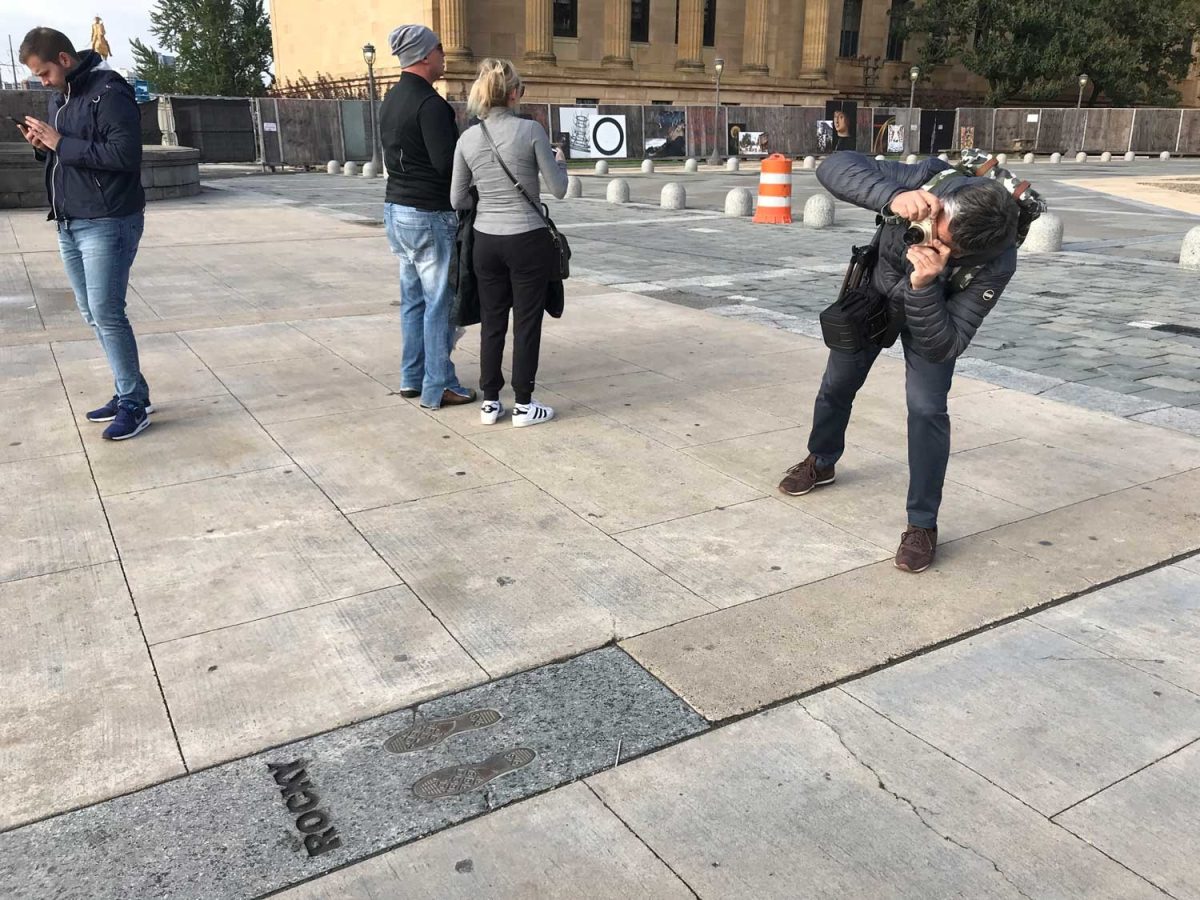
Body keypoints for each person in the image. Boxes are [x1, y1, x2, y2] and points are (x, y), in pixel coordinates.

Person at [779, 151, 1020, 573]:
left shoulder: (996, 262)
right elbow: (833, 167)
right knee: (837, 383)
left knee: (927, 410)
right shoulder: (931, 179)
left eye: (944, 244)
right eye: (931, 227)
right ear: (942, 204)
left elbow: (948, 344)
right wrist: (893, 196)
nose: (926, 240)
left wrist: (925, 285)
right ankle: (822, 459)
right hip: (876, 292)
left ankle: (922, 524)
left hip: (933, 315)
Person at [19, 27, 152, 440]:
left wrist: (60, 142)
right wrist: (42, 144)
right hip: (69, 220)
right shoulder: (61, 97)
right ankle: (130, 390)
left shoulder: (109, 92)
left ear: (63, 59)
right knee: (92, 312)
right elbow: (68, 153)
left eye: (44, 73)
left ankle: (133, 405)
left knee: (108, 312)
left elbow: (125, 155)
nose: (43, 83)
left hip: (108, 219)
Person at [451, 58, 568, 427]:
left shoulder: (467, 139)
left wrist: (486, 197)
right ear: (514, 93)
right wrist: (560, 162)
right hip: (527, 238)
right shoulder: (530, 130)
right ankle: (523, 404)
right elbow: (558, 189)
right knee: (527, 322)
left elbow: (457, 199)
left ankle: (490, 402)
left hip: (486, 240)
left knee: (492, 321)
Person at [379, 24, 476, 409]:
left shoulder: (391, 99)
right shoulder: (431, 105)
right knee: (439, 303)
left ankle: (412, 376)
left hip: (396, 209)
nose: (443, 54)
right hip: (428, 212)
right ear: (423, 55)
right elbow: (447, 166)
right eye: (439, 48)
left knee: (413, 300)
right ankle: (439, 384)